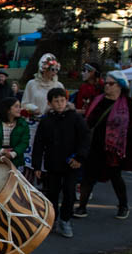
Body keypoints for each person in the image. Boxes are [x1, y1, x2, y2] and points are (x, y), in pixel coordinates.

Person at [73, 70, 132, 220]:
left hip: (114, 150)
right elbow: (88, 121)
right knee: (88, 178)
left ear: (120, 86)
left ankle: (123, 206)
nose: (107, 86)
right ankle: (82, 207)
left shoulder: (130, 105)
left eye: (111, 84)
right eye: (106, 83)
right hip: (95, 146)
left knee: (116, 178)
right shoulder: (98, 100)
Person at [31, 87, 90, 238]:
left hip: (72, 162)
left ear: (67, 100)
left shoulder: (76, 118)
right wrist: (37, 165)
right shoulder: (46, 121)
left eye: (62, 100)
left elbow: (85, 139)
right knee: (52, 193)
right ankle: (53, 219)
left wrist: (80, 158)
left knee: (70, 192)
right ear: (50, 103)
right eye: (56, 101)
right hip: (53, 163)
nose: (60, 104)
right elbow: (38, 144)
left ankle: (65, 220)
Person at [0, 97, 29, 168]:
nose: (19, 109)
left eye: (20, 107)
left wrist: (13, 153)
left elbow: (24, 142)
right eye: (16, 106)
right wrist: (1, 150)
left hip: (16, 160)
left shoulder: (23, 124)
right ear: (8, 109)